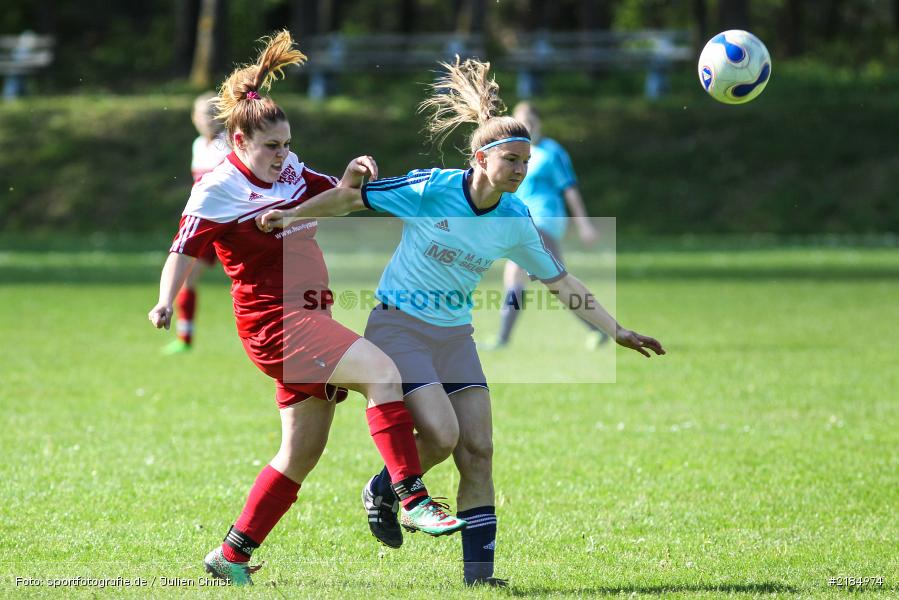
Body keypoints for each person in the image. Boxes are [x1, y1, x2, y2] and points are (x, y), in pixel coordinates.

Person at [256, 57, 666, 587]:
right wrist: (288, 216)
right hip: (398, 327)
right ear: (480, 158)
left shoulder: (516, 220)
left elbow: (562, 282)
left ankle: (478, 577)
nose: (521, 170)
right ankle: (391, 488)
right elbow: (352, 198)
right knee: (444, 436)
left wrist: (616, 330)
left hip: (455, 337)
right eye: (512, 160)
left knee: (478, 449)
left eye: (526, 162)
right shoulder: (431, 189)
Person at [147, 31, 466, 586]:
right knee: (383, 373)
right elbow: (182, 250)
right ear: (238, 141)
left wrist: (353, 176)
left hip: (311, 319)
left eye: (288, 143)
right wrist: (164, 301)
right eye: (271, 146)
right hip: (276, 325)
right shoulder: (217, 189)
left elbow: (341, 199)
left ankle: (231, 556)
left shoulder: (291, 170)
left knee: (299, 454)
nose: (284, 155)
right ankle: (411, 498)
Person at [491, 101, 610, 350]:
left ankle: (502, 339)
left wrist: (583, 223)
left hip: (544, 219)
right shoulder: (512, 154)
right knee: (555, 281)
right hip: (523, 222)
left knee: (538, 278)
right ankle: (597, 329)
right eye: (522, 123)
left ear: (539, 122)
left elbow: (569, 188)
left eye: (531, 122)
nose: (528, 127)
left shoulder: (551, 152)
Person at [163, 92, 230, 354]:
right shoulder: (197, 145)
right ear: (194, 117)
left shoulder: (230, 143)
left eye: (215, 113)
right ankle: (185, 337)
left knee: (245, 279)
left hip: (230, 223)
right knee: (187, 277)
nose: (209, 119)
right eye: (204, 113)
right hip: (206, 223)